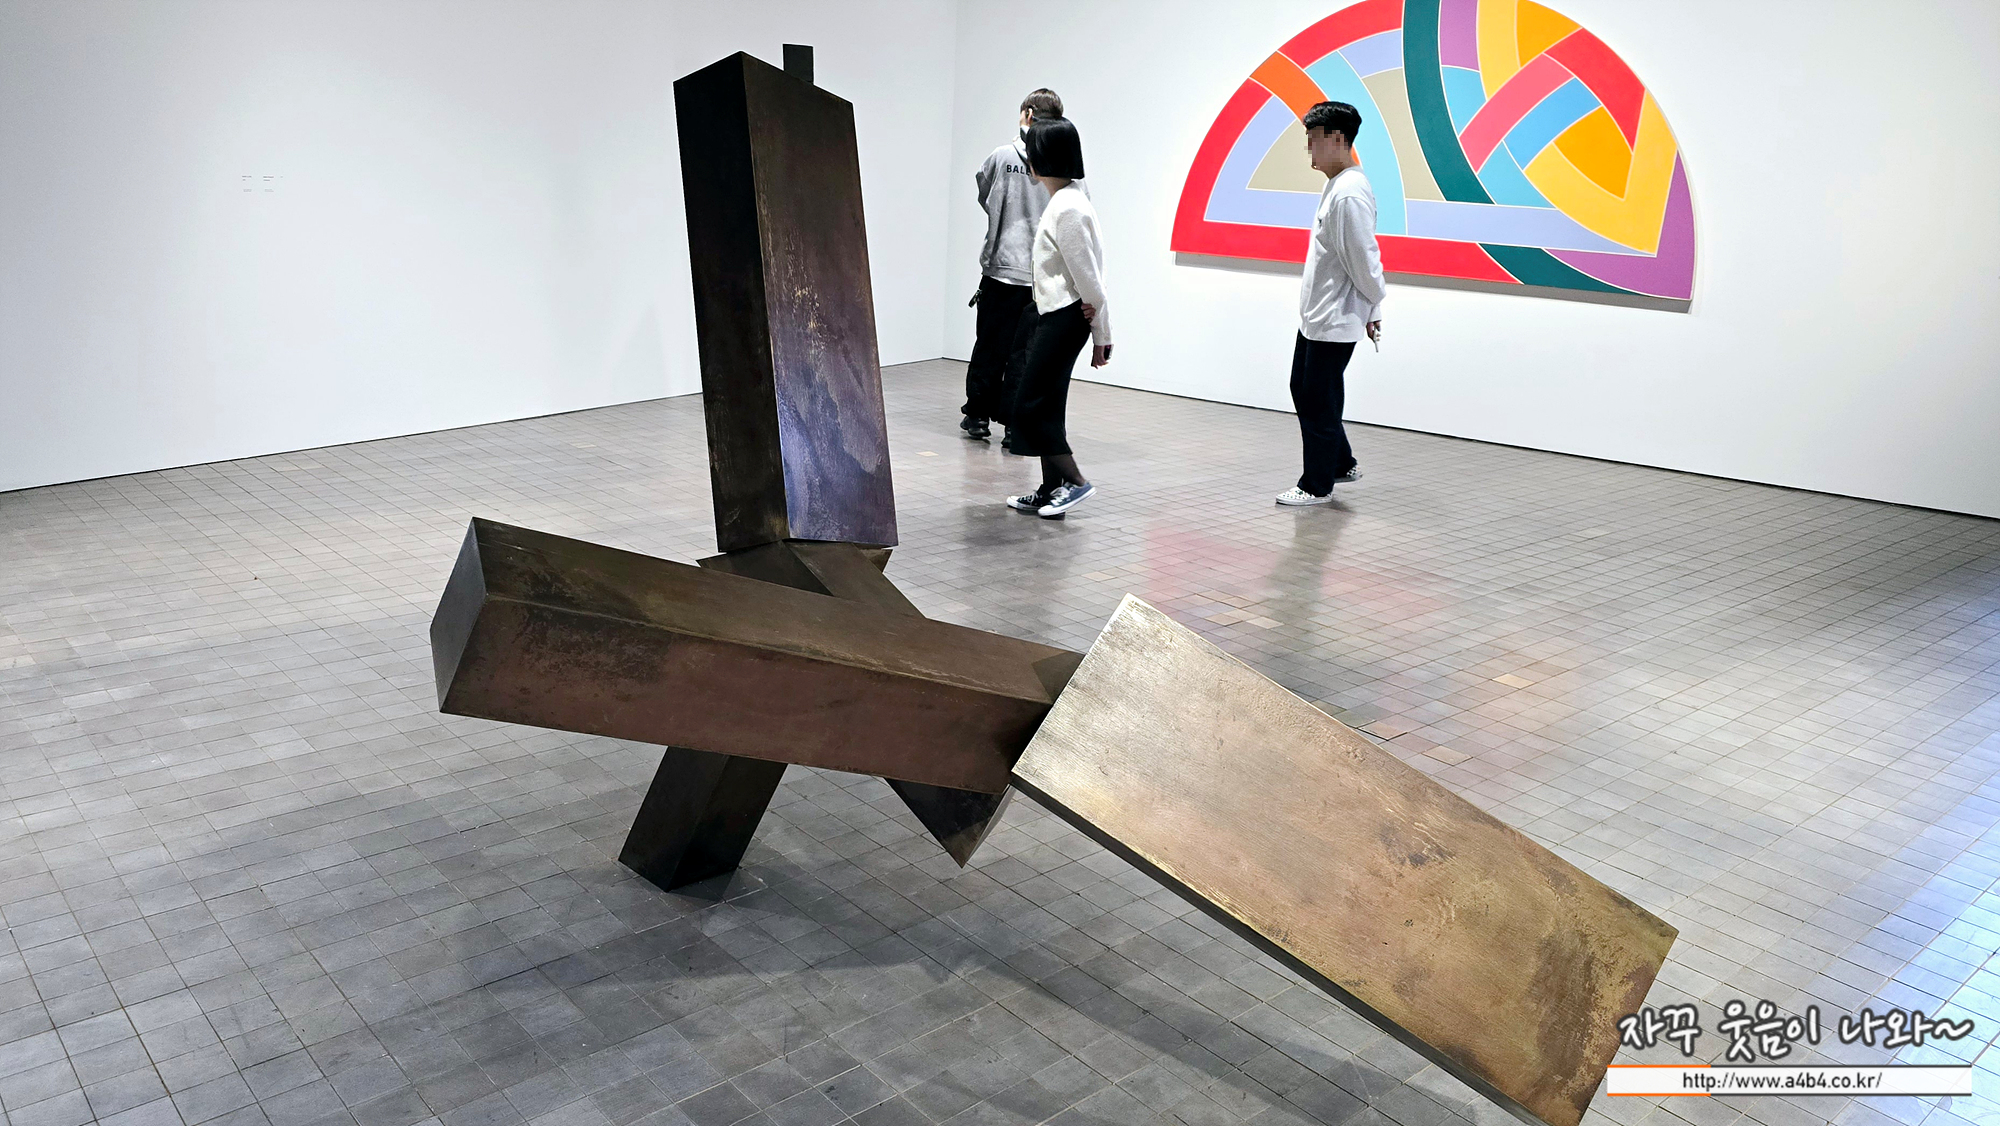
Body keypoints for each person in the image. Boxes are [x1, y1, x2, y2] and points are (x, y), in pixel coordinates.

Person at [1277, 100, 1385, 507]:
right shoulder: (1338, 185)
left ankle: (1316, 484)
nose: (1309, 148)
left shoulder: (1349, 193)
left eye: (1314, 139)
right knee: (1307, 391)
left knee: (1317, 400)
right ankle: (1340, 462)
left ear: (1338, 139)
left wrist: (1375, 306)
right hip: (1319, 315)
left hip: (1335, 316)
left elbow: (1364, 259)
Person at [1005, 116, 1111, 518]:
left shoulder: (1068, 207)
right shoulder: (1067, 199)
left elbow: (1091, 280)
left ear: (1041, 159)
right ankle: (1052, 488)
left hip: (1065, 317)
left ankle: (1076, 482)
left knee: (1031, 405)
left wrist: (1102, 334)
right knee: (1045, 405)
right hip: (1056, 314)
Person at [961, 89, 1065, 442]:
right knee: (1026, 354)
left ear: (1027, 114)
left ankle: (977, 416)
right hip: (1040, 276)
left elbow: (985, 194)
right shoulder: (1063, 165)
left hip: (1001, 267)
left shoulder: (1002, 156)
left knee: (990, 345)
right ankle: (1013, 427)